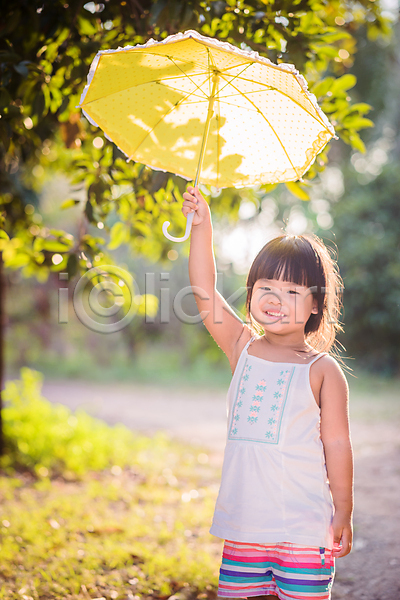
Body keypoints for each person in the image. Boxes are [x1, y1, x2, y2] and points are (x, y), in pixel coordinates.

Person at [181, 185, 354, 600]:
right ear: (252, 291)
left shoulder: (323, 371)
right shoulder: (241, 347)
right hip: (244, 529)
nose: (276, 300)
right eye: (266, 288)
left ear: (316, 304)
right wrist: (201, 227)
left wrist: (344, 510)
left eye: (293, 292)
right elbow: (204, 288)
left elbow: (338, 444)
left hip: (303, 530)